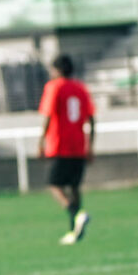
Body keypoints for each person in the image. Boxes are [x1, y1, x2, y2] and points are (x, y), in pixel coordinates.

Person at [36, 54, 96, 245]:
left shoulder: (54, 87)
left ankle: (75, 213)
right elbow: (92, 120)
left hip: (59, 145)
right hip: (79, 145)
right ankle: (74, 230)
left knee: (54, 185)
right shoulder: (81, 88)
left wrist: (41, 141)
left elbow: (47, 116)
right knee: (74, 186)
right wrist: (90, 146)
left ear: (57, 70)